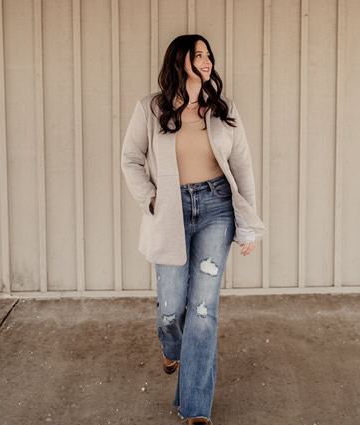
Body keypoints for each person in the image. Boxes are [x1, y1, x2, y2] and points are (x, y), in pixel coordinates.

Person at [121, 34, 265, 425]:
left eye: (207, 55)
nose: (205, 60)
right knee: (171, 310)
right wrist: (151, 200)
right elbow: (130, 159)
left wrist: (248, 226)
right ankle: (172, 348)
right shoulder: (151, 109)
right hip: (169, 210)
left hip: (217, 207)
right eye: (196, 54)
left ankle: (196, 408)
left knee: (202, 311)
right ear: (179, 60)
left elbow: (242, 168)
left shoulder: (223, 110)